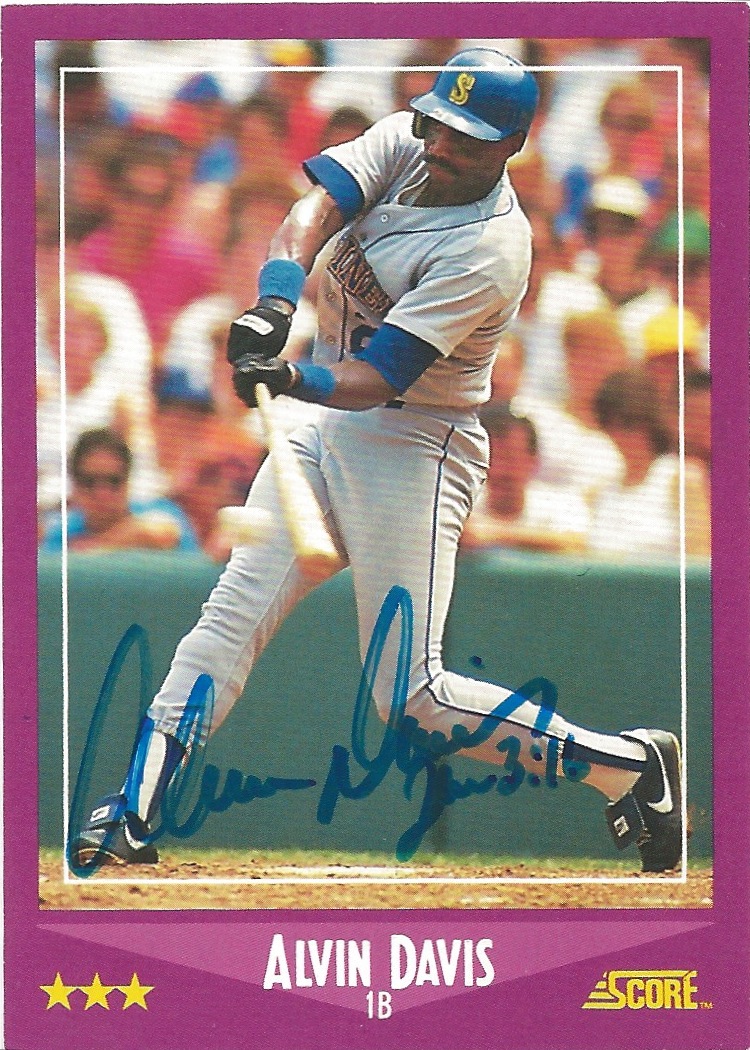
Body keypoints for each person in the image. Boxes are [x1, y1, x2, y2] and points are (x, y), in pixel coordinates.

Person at [70, 50, 682, 876]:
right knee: (231, 615)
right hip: (322, 418)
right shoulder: (407, 137)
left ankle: (628, 766)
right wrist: (276, 300)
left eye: (465, 136)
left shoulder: (493, 248)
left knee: (414, 696)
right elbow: (315, 208)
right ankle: (133, 810)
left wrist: (289, 376)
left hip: (416, 442)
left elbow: (382, 375)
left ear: (510, 146)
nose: (440, 143)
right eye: (437, 122)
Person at [40, 428, 199, 554]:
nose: (102, 493)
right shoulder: (62, 534)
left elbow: (160, 532)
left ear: (128, 482)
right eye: (89, 481)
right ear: (74, 485)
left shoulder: (161, 509)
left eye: (113, 481)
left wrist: (97, 548)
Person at [462, 403, 590, 554]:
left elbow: (576, 542)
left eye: (510, 458)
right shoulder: (464, 503)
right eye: (492, 459)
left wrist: (496, 533)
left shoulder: (561, 503)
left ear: (533, 461)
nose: (499, 470)